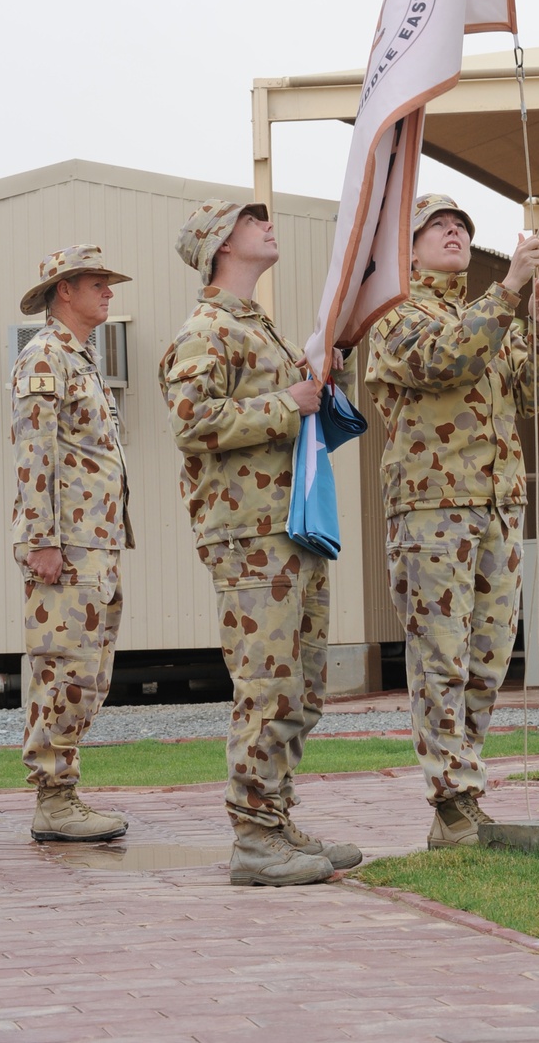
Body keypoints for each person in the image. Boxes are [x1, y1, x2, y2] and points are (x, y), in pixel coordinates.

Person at [159, 200, 362, 887]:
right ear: (221, 243)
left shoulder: (256, 328)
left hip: (288, 526)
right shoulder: (207, 330)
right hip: (250, 534)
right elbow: (193, 423)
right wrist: (290, 402)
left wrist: (315, 381)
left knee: (300, 685)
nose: (267, 226)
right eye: (252, 221)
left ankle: (274, 818)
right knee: (266, 685)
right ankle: (254, 837)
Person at [365, 193, 539, 848]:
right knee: (440, 659)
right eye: (437, 227)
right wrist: (509, 289)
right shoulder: (396, 313)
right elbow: (444, 358)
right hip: (432, 509)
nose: (453, 233)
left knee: (487, 660)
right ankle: (450, 799)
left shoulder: (494, 315)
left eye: (461, 227)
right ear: (409, 247)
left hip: (496, 506)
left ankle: (464, 792)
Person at [10, 245, 134, 843]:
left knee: (90, 671)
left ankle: (64, 794)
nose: (109, 292)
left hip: (96, 542)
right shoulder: (45, 358)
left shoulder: (79, 358)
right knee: (65, 667)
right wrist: (42, 539)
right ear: (65, 291)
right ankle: (54, 800)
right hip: (67, 545)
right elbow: (36, 452)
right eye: (97, 283)